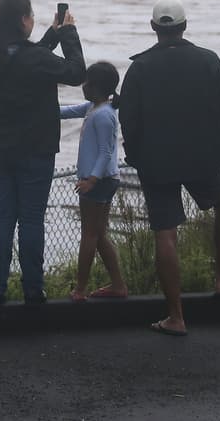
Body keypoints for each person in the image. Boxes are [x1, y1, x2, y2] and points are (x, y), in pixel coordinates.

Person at [119, 0, 220, 338]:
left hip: (156, 162)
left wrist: (136, 155)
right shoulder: (209, 61)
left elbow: (129, 119)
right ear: (184, 26)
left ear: (154, 28)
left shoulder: (140, 68)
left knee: (165, 232)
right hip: (203, 156)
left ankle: (176, 316)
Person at [0, 0, 85, 306]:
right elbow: (76, 72)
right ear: (24, 20)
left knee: (2, 217)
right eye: (31, 15)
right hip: (35, 150)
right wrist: (68, 34)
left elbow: (26, 58)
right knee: (31, 219)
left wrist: (51, 34)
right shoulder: (35, 59)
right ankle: (33, 290)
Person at [60, 61, 128, 302]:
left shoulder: (103, 116)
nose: (83, 85)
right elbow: (66, 111)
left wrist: (91, 179)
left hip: (99, 180)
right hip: (104, 179)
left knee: (89, 235)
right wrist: (39, 107)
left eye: (87, 82)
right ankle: (118, 285)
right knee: (99, 234)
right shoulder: (94, 107)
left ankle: (80, 289)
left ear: (98, 87)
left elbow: (106, 152)